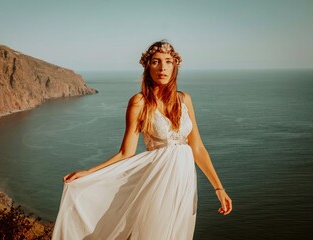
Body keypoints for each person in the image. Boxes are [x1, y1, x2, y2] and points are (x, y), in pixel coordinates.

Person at [52, 40, 232, 239]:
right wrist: (88, 172)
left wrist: (219, 188)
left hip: (185, 183)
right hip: (157, 182)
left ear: (175, 66)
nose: (162, 67)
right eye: (156, 61)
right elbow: (126, 152)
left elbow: (197, 147)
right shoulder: (139, 102)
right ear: (147, 66)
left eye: (168, 62)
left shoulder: (184, 99)